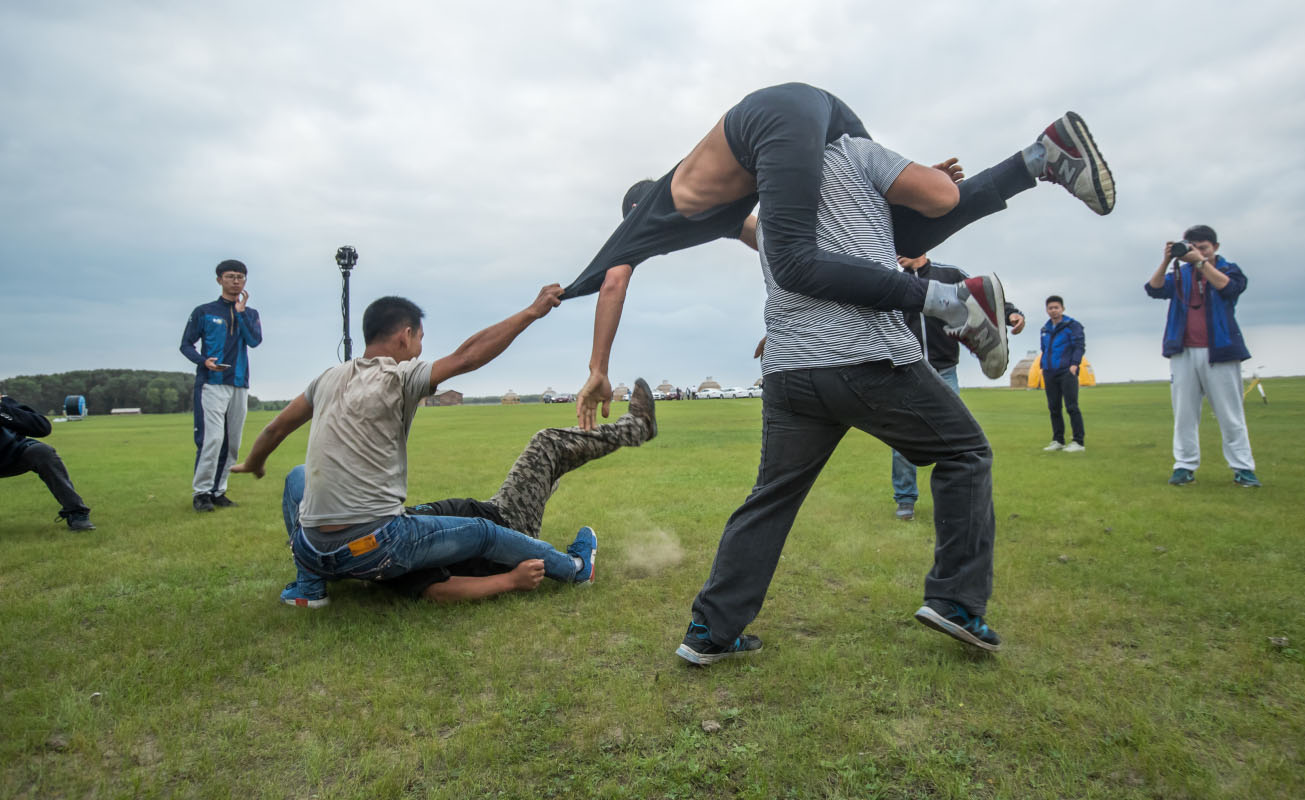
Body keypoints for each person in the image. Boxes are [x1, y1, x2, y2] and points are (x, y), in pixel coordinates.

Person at [564, 82, 1115, 430]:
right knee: (904, 232)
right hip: (821, 111)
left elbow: (613, 283)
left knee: (798, 264)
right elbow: (764, 237)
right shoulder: (717, 208)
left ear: (633, 209)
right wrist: (790, 317)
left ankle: (952, 302)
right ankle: (1043, 155)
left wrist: (597, 369)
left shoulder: (647, 215)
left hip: (772, 117)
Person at [677, 132, 1012, 667]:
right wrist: (932, 179)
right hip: (866, 352)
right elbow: (937, 197)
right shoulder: (855, 150)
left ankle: (710, 630)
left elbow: (741, 228)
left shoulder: (774, 190)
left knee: (772, 495)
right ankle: (956, 601)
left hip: (789, 369)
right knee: (965, 452)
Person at [229, 290, 609, 609]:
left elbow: (277, 426)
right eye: (420, 339)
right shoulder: (400, 376)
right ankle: (575, 567)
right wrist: (531, 311)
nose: (419, 349)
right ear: (404, 336)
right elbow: (467, 357)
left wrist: (254, 461)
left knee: (297, 475)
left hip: (310, 547)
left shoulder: (327, 378)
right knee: (482, 531)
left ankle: (309, 587)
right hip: (376, 546)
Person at [355, 379, 658, 604]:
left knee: (551, 470)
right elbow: (437, 590)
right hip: (506, 525)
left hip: (493, 510)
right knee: (547, 445)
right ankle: (637, 428)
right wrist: (510, 580)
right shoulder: (388, 551)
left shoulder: (374, 528)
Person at [890, 253, 1026, 521]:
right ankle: (905, 500)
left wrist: (1011, 314)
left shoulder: (949, 275)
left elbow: (981, 297)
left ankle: (953, 499)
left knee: (952, 437)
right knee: (902, 439)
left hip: (945, 371)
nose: (897, 252)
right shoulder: (895, 282)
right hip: (908, 372)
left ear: (920, 246)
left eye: (903, 245)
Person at [1145, 225, 1260, 487]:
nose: (1198, 252)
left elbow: (1229, 288)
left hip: (1220, 350)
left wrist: (1201, 263)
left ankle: (1243, 467)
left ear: (1215, 247)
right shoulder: (1180, 273)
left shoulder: (1228, 269)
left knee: (1230, 414)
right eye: (1192, 247)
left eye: (1204, 247)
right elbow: (1154, 288)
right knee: (1184, 414)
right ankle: (1184, 466)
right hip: (1183, 351)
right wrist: (1167, 259)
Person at [179, 259, 262, 512]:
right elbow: (185, 344)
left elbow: (255, 341)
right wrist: (204, 362)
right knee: (212, 439)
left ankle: (219, 491)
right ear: (219, 280)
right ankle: (201, 493)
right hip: (212, 383)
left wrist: (240, 313)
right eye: (230, 276)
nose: (236, 281)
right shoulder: (204, 311)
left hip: (239, 383)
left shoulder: (251, 313)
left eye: (240, 277)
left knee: (233, 442)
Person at [0, 392, 94, 530]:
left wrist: (2, 409)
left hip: (11, 454)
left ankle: (76, 512)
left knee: (42, 452)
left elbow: (42, 427)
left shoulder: (5, 404)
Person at [1039, 295, 1086, 452]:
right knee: (1054, 408)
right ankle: (1058, 440)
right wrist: (1042, 366)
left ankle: (1078, 442)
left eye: (1056, 307)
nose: (1053, 311)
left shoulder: (1072, 326)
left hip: (1067, 371)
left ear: (1062, 309)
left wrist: (1075, 364)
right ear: (1046, 310)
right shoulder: (1044, 329)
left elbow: (1079, 346)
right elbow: (1044, 349)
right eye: (1050, 308)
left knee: (1072, 406)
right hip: (1049, 372)